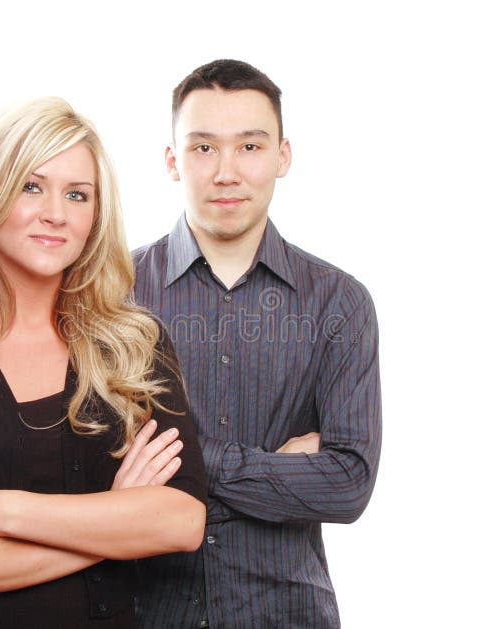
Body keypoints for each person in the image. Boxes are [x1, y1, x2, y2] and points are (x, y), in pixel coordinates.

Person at [0, 96, 207, 628]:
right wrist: (115, 522)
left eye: (77, 195)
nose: (56, 212)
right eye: (32, 186)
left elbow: (180, 522)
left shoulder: (134, 347)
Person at [132, 60, 382, 628]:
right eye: (202, 148)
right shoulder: (112, 294)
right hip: (145, 613)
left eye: (249, 146)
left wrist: (185, 462)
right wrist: (277, 468)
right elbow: (91, 468)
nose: (226, 172)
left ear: (282, 157)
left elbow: (348, 485)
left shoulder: (340, 303)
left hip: (286, 614)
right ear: (172, 160)